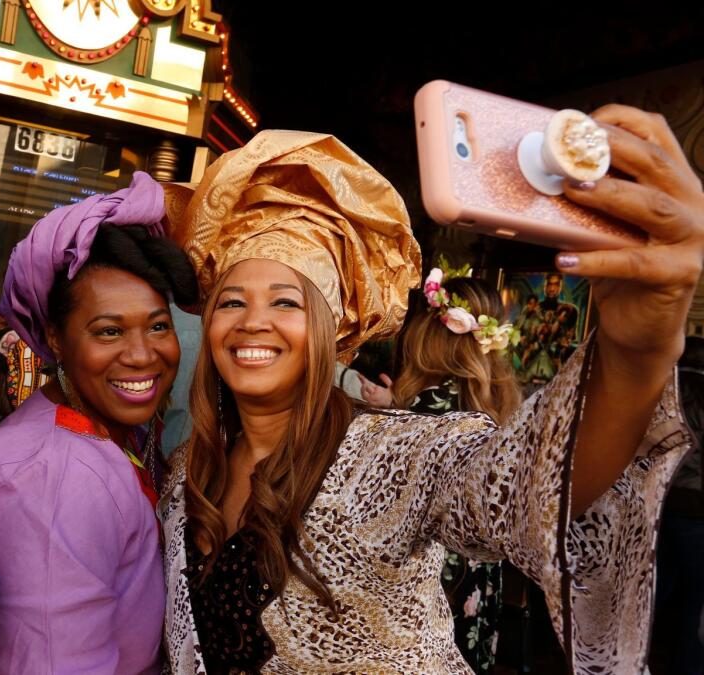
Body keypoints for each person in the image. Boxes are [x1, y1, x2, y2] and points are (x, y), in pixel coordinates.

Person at [159, 108, 702, 674]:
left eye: (285, 302)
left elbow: (525, 485)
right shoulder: (187, 474)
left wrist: (635, 352)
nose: (252, 321)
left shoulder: (391, 454)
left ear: (329, 332)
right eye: (231, 301)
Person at [0, 172, 198, 674]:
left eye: (158, 325)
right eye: (109, 331)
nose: (142, 354)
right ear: (56, 339)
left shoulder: (112, 431)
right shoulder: (48, 477)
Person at [389, 271, 522, 672]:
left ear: (425, 334)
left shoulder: (416, 417)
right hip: (477, 583)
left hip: (425, 590)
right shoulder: (502, 413)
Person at [650, 335, 704, 674]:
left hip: (654, 503)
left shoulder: (658, 391)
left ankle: (635, 655)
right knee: (696, 598)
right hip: (696, 509)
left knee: (654, 589)